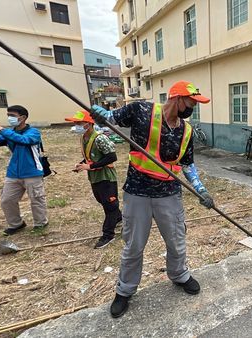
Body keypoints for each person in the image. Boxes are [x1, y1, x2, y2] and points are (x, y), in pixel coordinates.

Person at [90, 80, 215, 318]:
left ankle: (179, 275)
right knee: (134, 245)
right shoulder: (140, 110)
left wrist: (201, 190)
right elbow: (110, 118)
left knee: (177, 241)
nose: (193, 107)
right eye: (191, 102)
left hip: (169, 194)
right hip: (137, 192)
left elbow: (187, 164)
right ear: (177, 99)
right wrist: (99, 116)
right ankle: (125, 290)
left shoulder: (186, 130)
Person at [0, 105, 48, 234]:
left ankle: (40, 223)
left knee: (37, 199)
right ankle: (16, 224)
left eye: (12, 116)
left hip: (32, 172)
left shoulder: (33, 132)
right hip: (13, 173)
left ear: (23, 117)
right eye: (8, 115)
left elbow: (24, 140)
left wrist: (1, 129)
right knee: (7, 200)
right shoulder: (9, 133)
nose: (9, 118)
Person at [65, 110, 122, 249]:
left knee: (109, 205)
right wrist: (81, 165)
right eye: (75, 123)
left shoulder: (100, 138)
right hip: (95, 177)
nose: (76, 125)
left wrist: (90, 166)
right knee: (103, 201)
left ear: (89, 124)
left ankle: (108, 235)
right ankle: (119, 218)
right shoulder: (84, 138)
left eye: (79, 123)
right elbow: (90, 156)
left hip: (105, 177)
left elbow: (111, 157)